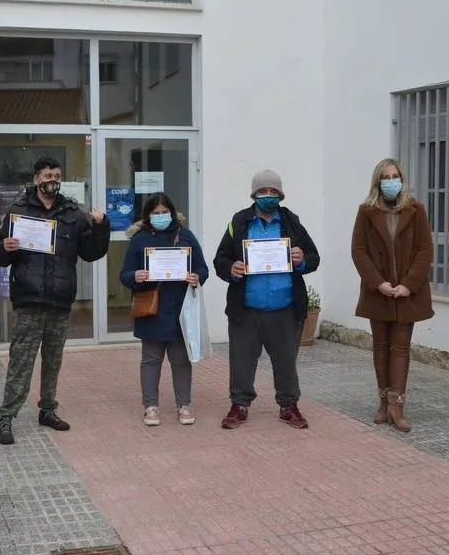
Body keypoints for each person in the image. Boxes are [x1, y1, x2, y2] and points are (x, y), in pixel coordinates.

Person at [0, 156, 109, 445]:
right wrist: (4, 248)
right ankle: (7, 417)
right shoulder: (18, 210)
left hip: (59, 299)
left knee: (53, 360)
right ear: (36, 179)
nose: (52, 179)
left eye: (56, 174)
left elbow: (91, 252)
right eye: (47, 175)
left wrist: (101, 226)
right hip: (29, 299)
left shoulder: (73, 213)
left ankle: (47, 409)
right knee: (22, 360)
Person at [213, 169, 321, 430]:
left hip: (284, 308)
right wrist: (232, 269)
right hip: (246, 308)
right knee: (241, 361)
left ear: (281, 195)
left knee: (286, 361)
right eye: (263, 192)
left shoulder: (291, 223)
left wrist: (301, 260)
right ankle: (239, 405)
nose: (268, 196)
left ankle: (288, 406)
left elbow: (313, 257)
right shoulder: (239, 222)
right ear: (254, 194)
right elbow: (220, 259)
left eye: (274, 192)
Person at [350, 158, 434, 432]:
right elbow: (359, 251)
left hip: (408, 293)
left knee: (400, 347)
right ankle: (383, 402)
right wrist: (379, 283)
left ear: (402, 179)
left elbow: (425, 250)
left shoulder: (415, 209)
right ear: (378, 182)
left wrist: (409, 284)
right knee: (380, 346)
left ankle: (397, 406)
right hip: (379, 293)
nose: (391, 181)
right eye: (385, 177)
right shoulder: (366, 211)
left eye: (395, 176)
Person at [119, 193, 209, 426]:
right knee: (151, 360)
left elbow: (202, 267)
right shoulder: (138, 240)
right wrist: (135, 276)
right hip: (152, 309)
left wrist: (197, 277)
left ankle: (184, 405)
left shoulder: (186, 236)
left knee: (181, 360)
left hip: (180, 310)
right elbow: (125, 275)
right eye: (156, 213)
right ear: (148, 216)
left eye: (164, 212)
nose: (161, 217)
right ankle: (150, 407)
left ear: (172, 212)